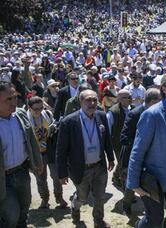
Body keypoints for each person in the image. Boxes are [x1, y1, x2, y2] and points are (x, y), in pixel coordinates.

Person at [126, 72, 166, 228]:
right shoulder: (152, 114)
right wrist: (133, 183)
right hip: (152, 178)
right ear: (164, 89)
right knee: (154, 220)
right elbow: (137, 150)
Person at [56, 89, 115, 227]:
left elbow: (107, 140)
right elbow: (61, 150)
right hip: (80, 168)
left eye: (94, 100)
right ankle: (75, 208)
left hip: (99, 166)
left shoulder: (101, 116)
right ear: (80, 101)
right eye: (88, 100)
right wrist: (62, 173)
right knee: (82, 196)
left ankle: (98, 220)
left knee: (99, 196)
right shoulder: (69, 121)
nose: (92, 103)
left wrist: (111, 157)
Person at [0, 81, 43, 227]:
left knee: (25, 208)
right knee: (11, 215)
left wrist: (37, 162)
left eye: (15, 97)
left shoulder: (20, 114)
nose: (14, 102)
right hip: (3, 179)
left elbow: (31, 139)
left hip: (22, 172)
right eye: (8, 99)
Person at [119, 88, 161, 216]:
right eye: (159, 101)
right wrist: (142, 145)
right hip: (136, 156)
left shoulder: (158, 113)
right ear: (152, 101)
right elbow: (124, 137)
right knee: (131, 185)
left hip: (152, 158)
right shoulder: (135, 114)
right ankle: (126, 205)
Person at [27, 96, 68, 209]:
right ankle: (44, 199)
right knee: (41, 178)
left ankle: (59, 197)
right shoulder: (25, 120)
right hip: (36, 154)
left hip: (50, 151)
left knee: (56, 176)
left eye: (41, 108)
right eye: (36, 109)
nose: (39, 111)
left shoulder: (47, 114)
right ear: (29, 108)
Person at [106, 89, 134, 189]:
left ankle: (115, 177)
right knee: (124, 166)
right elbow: (107, 130)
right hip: (119, 144)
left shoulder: (134, 109)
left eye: (131, 96)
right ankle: (126, 190)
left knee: (124, 162)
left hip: (132, 143)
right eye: (128, 97)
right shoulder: (113, 112)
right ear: (120, 99)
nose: (131, 99)